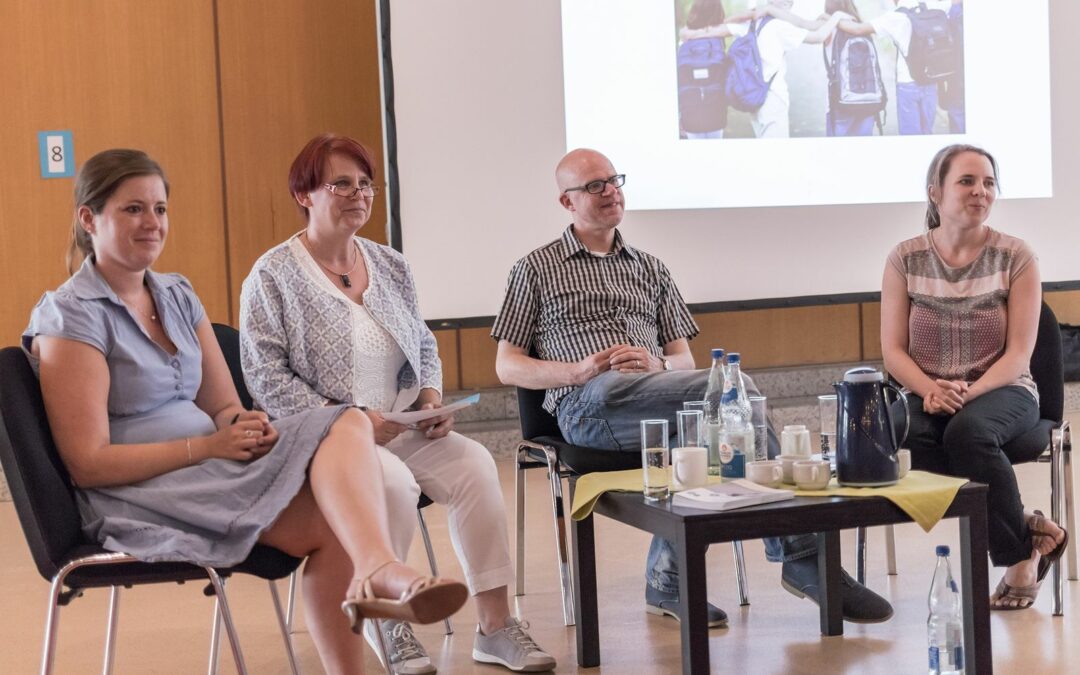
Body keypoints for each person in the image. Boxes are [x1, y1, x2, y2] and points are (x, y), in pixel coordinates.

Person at [22, 148, 468, 675]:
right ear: (89, 219)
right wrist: (207, 446)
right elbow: (89, 463)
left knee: (344, 425)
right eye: (133, 210)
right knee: (336, 508)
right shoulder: (70, 316)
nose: (152, 223)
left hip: (213, 465)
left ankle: (375, 567)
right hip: (139, 490)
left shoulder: (177, 294)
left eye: (160, 209)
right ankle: (378, 571)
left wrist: (240, 426)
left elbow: (223, 405)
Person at [492, 147, 894, 629]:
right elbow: (506, 365)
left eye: (614, 180)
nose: (610, 192)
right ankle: (803, 556)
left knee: (707, 426)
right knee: (734, 388)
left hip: (657, 397)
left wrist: (657, 361)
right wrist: (576, 371)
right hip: (589, 406)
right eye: (594, 186)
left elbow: (684, 361)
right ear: (567, 202)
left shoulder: (651, 268)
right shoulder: (535, 268)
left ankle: (670, 582)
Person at [240, 133, 555, 674]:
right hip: (326, 443)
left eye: (366, 185)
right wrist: (353, 421)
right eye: (341, 184)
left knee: (477, 465)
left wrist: (430, 396)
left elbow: (424, 343)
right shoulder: (273, 275)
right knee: (389, 481)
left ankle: (497, 627)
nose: (358, 194)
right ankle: (391, 626)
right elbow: (266, 379)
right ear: (305, 194)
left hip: (402, 426)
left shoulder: (390, 265)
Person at [880, 144, 1069, 610]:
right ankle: (1026, 527)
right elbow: (893, 351)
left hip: (1005, 388)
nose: (980, 191)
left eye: (988, 182)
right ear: (935, 192)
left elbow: (1020, 354)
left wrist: (967, 391)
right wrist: (929, 389)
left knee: (968, 434)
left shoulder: (1016, 256)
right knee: (889, 435)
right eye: (966, 181)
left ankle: (1017, 560)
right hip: (928, 390)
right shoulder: (905, 258)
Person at [681, 0, 843, 138]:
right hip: (773, 101)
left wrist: (687, 33)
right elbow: (819, 36)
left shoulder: (752, 24)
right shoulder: (781, 27)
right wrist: (837, 17)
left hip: (753, 98)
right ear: (786, 6)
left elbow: (716, 30)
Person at [836, 0, 952, 135]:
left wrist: (834, 20)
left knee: (910, 135)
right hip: (931, 80)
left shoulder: (895, 17)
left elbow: (858, 29)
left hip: (907, 84)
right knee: (927, 131)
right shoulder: (935, 7)